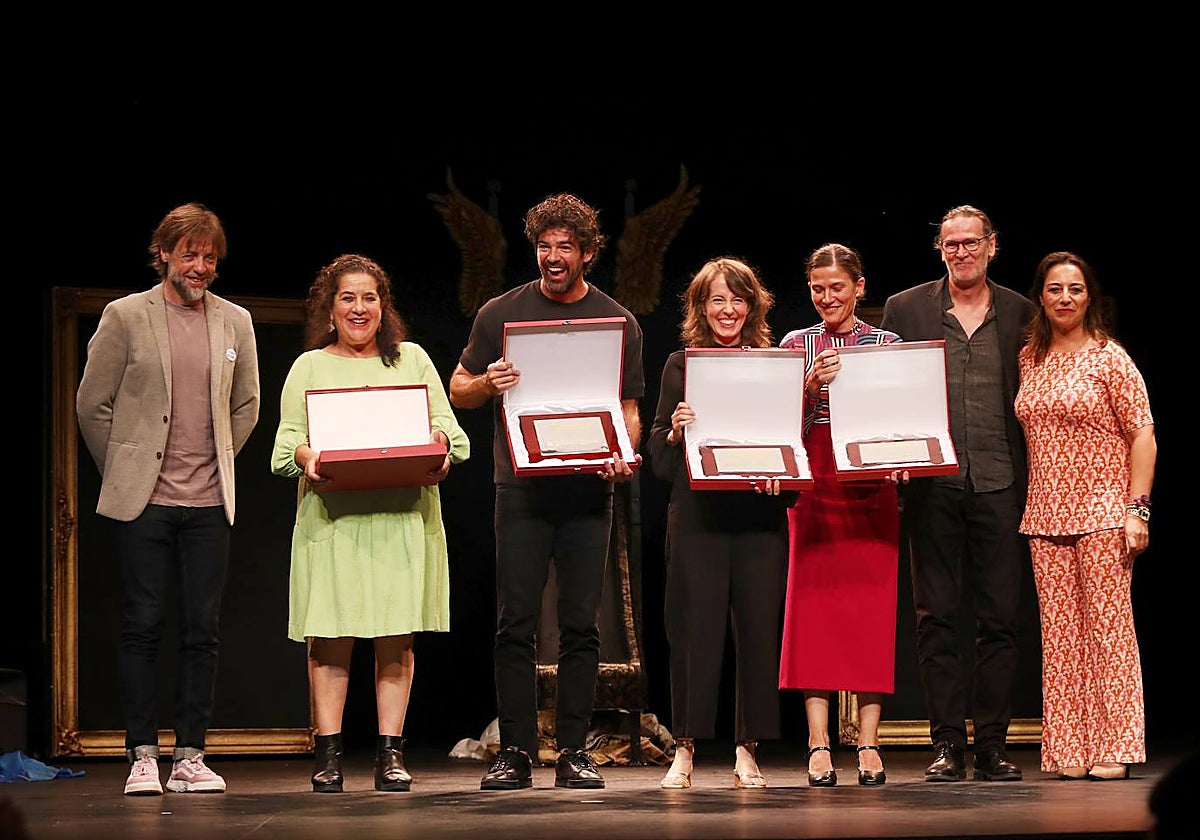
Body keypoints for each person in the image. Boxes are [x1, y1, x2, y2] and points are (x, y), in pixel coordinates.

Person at [449, 193, 644, 791]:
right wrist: (488, 381)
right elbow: (459, 389)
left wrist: (622, 451)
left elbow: (630, 410)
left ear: (587, 252)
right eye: (544, 245)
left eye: (566, 247)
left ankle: (573, 752)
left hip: (587, 491)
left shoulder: (618, 322)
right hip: (522, 488)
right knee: (516, 622)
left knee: (581, 626)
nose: (553, 256)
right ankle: (514, 750)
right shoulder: (499, 314)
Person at [76, 202, 260, 796]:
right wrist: (127, 469)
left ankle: (190, 754)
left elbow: (247, 404)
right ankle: (141, 755)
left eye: (210, 257)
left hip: (209, 502)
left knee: (201, 629)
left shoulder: (235, 322)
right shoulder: (125, 316)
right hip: (145, 502)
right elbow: (91, 404)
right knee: (143, 624)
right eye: (190, 254)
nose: (200, 266)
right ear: (164, 254)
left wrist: (217, 457)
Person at [270, 254, 469, 793]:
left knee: (394, 638)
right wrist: (309, 458)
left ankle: (390, 755)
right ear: (329, 308)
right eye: (348, 298)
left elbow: (448, 432)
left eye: (370, 297)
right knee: (329, 639)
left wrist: (439, 450)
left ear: (384, 307)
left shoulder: (412, 361)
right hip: (333, 522)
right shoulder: (309, 367)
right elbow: (285, 447)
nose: (360, 308)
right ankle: (329, 755)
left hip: (400, 518)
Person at [880, 204, 1036, 782]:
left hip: (999, 482)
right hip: (933, 484)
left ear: (992, 246)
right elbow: (886, 389)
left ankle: (992, 745)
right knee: (935, 618)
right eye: (952, 245)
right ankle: (947, 743)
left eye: (973, 243)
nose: (962, 252)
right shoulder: (906, 308)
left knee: (999, 619)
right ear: (940, 250)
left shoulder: (1021, 311)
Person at [645, 257, 792, 790]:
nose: (727, 310)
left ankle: (747, 750)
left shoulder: (776, 364)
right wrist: (674, 432)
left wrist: (784, 481)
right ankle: (684, 748)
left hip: (757, 518)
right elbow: (659, 464)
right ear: (700, 309)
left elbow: (789, 444)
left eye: (737, 300)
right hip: (697, 519)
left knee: (757, 632)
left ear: (751, 306)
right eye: (716, 301)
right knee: (692, 632)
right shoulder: (680, 366)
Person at [1014, 251, 1156, 782]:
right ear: (1041, 297)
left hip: (1102, 511)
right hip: (1045, 514)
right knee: (1061, 636)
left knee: (1109, 631)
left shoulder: (1110, 358)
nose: (1065, 298)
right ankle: (1069, 748)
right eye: (1055, 289)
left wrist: (1136, 509)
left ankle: (1114, 747)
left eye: (1074, 289)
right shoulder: (1030, 357)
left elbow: (1143, 432)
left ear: (1088, 297)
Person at [778, 243, 902, 787]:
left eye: (837, 287)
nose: (827, 297)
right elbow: (776, 427)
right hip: (815, 477)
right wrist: (808, 388)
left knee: (869, 609)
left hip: (870, 481)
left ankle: (869, 744)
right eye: (817, 288)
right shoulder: (794, 344)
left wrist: (902, 463)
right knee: (815, 610)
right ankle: (818, 743)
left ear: (859, 288)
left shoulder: (887, 344)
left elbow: (902, 418)